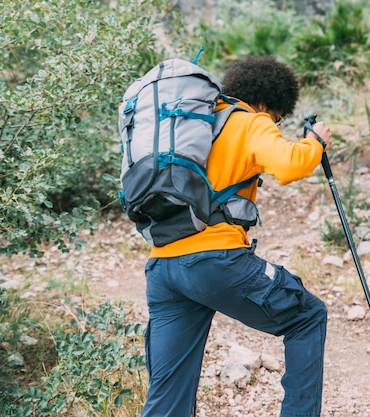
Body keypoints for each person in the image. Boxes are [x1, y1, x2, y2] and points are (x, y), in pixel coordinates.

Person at [140, 55, 333, 417]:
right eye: (277, 117)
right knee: (308, 315)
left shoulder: (188, 126)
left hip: (163, 269)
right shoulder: (249, 120)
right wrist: (315, 141)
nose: (274, 123)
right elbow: (291, 165)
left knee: (167, 396)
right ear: (265, 102)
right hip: (215, 262)